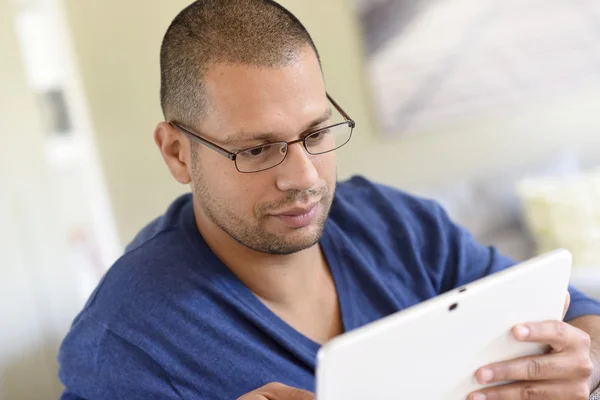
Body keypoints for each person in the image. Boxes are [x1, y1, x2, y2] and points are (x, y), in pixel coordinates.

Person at [58, 1, 600, 399]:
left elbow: (578, 313)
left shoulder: (397, 224)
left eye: (316, 133)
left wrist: (585, 360)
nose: (303, 177)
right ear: (178, 153)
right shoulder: (127, 339)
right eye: (257, 148)